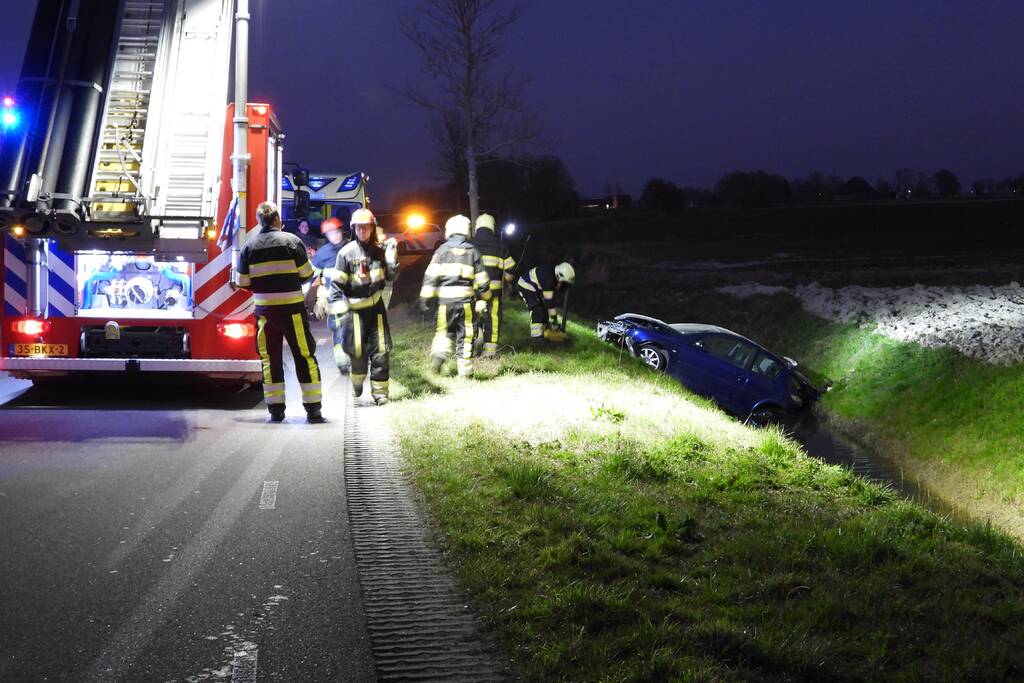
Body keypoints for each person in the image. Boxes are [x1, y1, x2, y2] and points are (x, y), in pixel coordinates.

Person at [233, 201, 324, 423]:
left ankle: (276, 410)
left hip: (265, 314)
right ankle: (313, 409)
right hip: (292, 311)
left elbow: (242, 282)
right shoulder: (292, 242)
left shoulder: (248, 246)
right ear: (277, 220)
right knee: (304, 356)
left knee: (270, 359)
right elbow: (306, 274)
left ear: (258, 221)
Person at [327, 208, 399, 405]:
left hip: (376, 310)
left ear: (372, 228)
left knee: (381, 352)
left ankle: (380, 394)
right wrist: (338, 314)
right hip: (355, 312)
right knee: (357, 354)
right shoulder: (345, 253)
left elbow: (391, 277)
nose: (362, 231)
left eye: (366, 227)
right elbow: (336, 286)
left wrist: (392, 258)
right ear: (353, 228)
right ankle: (357, 383)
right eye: (359, 228)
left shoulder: (380, 251)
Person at [419, 214, 491, 377]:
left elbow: (431, 276)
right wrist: (486, 296)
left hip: (445, 303)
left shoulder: (441, 251)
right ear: (467, 230)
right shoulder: (473, 252)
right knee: (466, 335)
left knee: (443, 331)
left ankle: (438, 355)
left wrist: (425, 298)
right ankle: (465, 372)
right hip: (466, 303)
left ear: (449, 230)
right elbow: (482, 280)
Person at [469, 213, 516, 357]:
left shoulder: (469, 244)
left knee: (470, 318)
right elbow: (510, 269)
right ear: (492, 227)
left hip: (472, 291)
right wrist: (507, 280)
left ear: (477, 227)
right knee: (493, 317)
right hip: (493, 291)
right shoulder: (500, 246)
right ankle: (489, 352)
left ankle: (468, 348)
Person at [311, 217, 351, 374]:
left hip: (354, 297)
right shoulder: (322, 254)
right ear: (326, 236)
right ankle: (342, 362)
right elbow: (310, 274)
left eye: (335, 232)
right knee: (338, 330)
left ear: (341, 231)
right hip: (334, 300)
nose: (333, 235)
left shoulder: (352, 247)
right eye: (329, 233)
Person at [516, 262, 575, 341]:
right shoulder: (549, 279)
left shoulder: (553, 274)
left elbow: (548, 304)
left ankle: (543, 332)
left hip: (534, 287)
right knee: (537, 309)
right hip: (525, 286)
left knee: (543, 310)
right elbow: (549, 304)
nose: (563, 286)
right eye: (563, 283)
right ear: (559, 277)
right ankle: (536, 337)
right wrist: (555, 321)